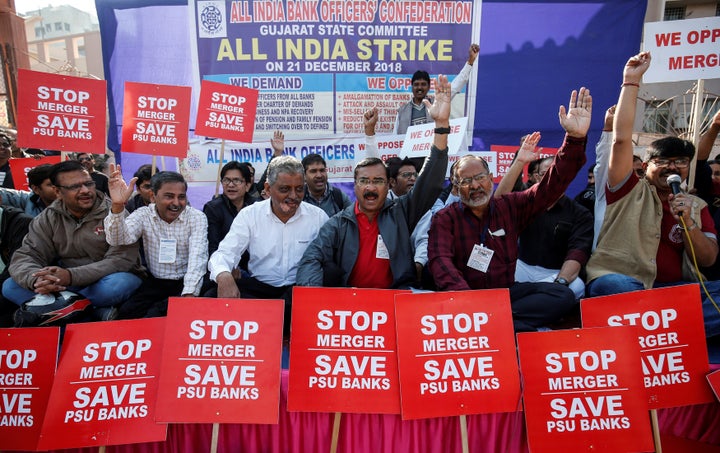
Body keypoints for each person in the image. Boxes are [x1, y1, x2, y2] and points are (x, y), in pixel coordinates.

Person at [427, 86, 592, 332]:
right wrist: (468, 303)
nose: (475, 186)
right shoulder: (445, 219)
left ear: (491, 177)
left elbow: (550, 186)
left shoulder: (509, 206)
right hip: (465, 301)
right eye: (465, 181)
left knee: (562, 296)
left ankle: (496, 325)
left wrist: (575, 140)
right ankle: (509, 327)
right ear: (455, 188)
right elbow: (441, 264)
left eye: (480, 177)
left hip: (505, 296)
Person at [585, 52, 720, 339]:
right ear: (646, 166)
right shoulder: (626, 188)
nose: (672, 166)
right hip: (625, 283)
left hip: (673, 294)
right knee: (617, 289)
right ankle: (675, 329)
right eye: (664, 161)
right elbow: (621, 140)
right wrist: (631, 82)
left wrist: (689, 224)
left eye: (681, 161)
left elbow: (707, 261)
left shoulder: (695, 206)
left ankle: (653, 329)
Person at [296, 75, 452, 289]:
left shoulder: (401, 212)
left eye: (378, 181)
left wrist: (441, 126)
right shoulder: (338, 224)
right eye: (364, 181)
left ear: (388, 185)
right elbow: (311, 258)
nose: (370, 187)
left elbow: (430, 180)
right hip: (354, 303)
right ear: (355, 185)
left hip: (397, 298)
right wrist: (313, 296)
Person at [2, 161, 144, 320]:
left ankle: (62, 310)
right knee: (10, 286)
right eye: (74, 187)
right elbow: (27, 255)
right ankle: (89, 313)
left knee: (119, 284)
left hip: (103, 280)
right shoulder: (48, 218)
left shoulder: (114, 212)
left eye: (89, 184)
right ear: (57, 192)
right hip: (63, 283)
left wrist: (70, 275)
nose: (85, 191)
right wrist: (37, 279)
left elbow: (120, 260)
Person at [208, 155, 329, 334]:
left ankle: (277, 325)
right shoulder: (250, 215)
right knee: (211, 294)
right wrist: (224, 275)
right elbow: (225, 253)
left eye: (299, 189)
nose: (293, 196)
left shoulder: (318, 217)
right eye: (284, 189)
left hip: (300, 291)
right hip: (260, 291)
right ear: (268, 188)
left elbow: (330, 260)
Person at [105, 168, 207, 318]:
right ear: (153, 196)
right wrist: (118, 206)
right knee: (127, 313)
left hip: (187, 282)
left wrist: (189, 295)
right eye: (169, 196)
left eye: (181, 197)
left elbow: (197, 258)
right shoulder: (143, 214)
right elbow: (117, 239)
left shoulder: (197, 217)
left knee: (158, 315)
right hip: (155, 282)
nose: (176, 203)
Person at [393, 44, 479, 135]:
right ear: (412, 87)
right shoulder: (402, 111)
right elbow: (395, 139)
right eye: (416, 85)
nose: (419, 88)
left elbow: (456, 84)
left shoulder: (437, 103)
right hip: (408, 150)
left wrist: (470, 62)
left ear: (429, 87)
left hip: (434, 148)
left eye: (423, 84)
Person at [204, 161, 255, 257]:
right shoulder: (213, 208)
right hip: (226, 263)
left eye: (236, 180)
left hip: (254, 263)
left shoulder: (256, 206)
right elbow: (213, 247)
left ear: (247, 186)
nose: (231, 185)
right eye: (226, 180)